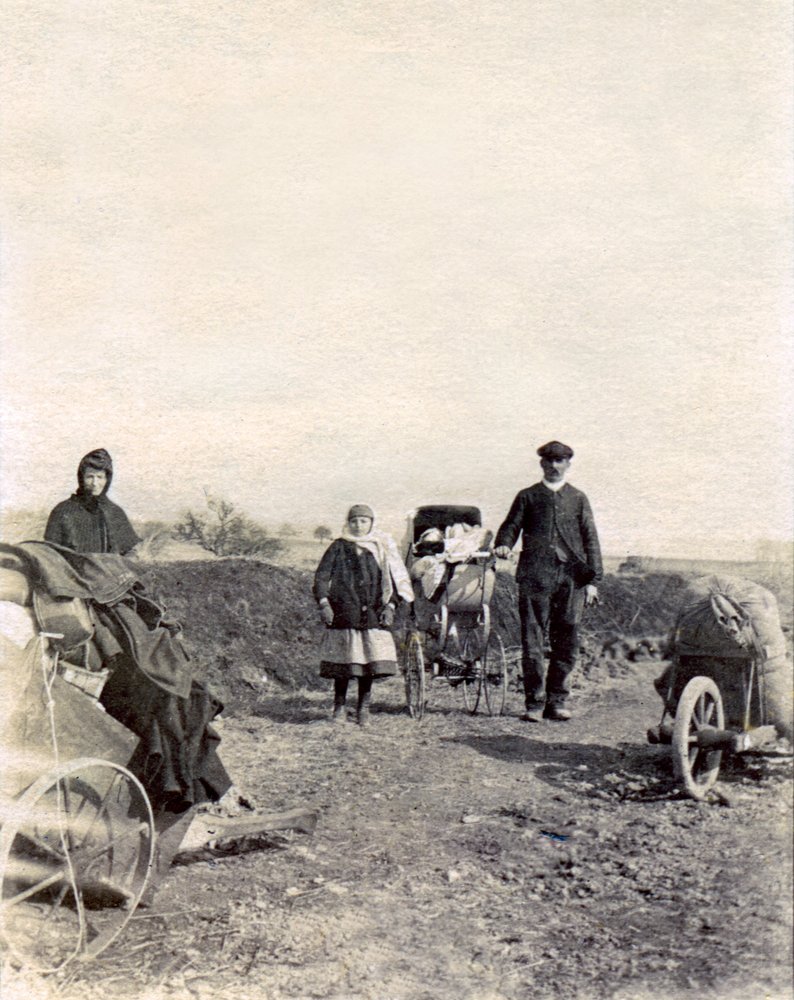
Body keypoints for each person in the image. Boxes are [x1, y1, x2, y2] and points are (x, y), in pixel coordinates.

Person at [494, 441, 602, 722]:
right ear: (542, 463)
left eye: (560, 461)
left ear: (568, 464)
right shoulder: (527, 496)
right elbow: (510, 526)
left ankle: (557, 702)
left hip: (571, 580)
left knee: (566, 640)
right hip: (534, 578)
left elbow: (591, 539)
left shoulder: (578, 498)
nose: (554, 466)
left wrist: (593, 580)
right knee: (532, 641)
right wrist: (504, 544)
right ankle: (534, 703)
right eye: (549, 461)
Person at [313, 504, 414, 727]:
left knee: (368, 663)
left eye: (363, 521)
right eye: (354, 521)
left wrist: (390, 607)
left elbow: (395, 581)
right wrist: (324, 603)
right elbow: (321, 577)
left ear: (371, 523)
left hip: (372, 614)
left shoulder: (382, 548)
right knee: (344, 663)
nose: (358, 526)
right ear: (348, 523)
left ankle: (363, 708)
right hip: (344, 612)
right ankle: (339, 707)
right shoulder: (338, 546)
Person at [45, 448, 141, 555]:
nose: (95, 483)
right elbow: (50, 555)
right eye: (90, 477)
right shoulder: (63, 511)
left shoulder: (115, 512)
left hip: (109, 571)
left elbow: (130, 553)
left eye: (100, 477)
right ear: (81, 478)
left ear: (107, 479)